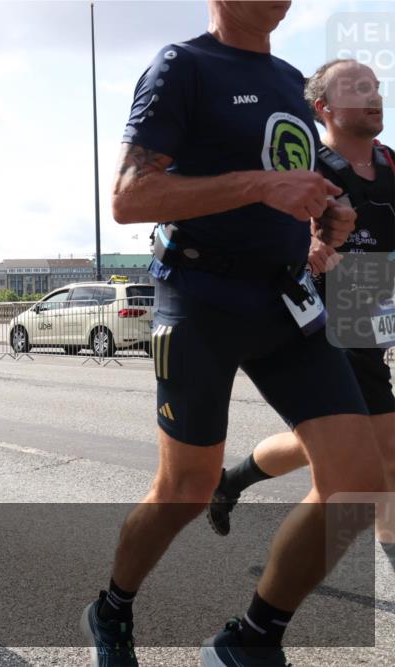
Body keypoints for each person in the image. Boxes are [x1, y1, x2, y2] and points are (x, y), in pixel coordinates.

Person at [79, 4, 385, 667]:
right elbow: (130, 197)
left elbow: (290, 195)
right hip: (200, 296)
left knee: (359, 479)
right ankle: (112, 605)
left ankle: (251, 637)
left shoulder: (288, 80)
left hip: (284, 301)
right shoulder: (183, 66)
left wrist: (324, 224)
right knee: (186, 488)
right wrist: (262, 186)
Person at [208, 60, 395, 569]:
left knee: (325, 440)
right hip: (324, 316)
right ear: (323, 109)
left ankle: (231, 481)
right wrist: (309, 237)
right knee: (384, 455)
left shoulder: (390, 163)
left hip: (375, 308)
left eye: (375, 86)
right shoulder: (304, 168)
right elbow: (267, 230)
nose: (372, 95)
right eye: (356, 88)